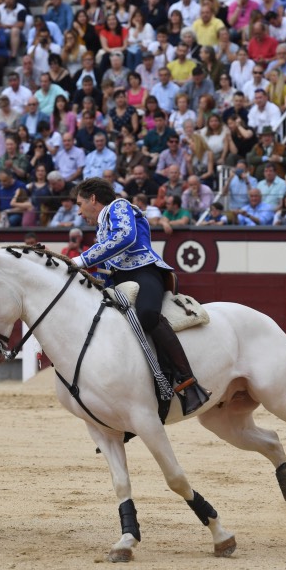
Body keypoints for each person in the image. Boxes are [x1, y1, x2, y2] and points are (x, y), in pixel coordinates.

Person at [72, 177, 209, 415]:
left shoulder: (119, 206)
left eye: (80, 203)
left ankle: (188, 382)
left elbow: (126, 236)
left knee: (147, 315)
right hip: (117, 280)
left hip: (143, 272)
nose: (79, 211)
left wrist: (82, 259)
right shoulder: (101, 225)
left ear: (93, 198)